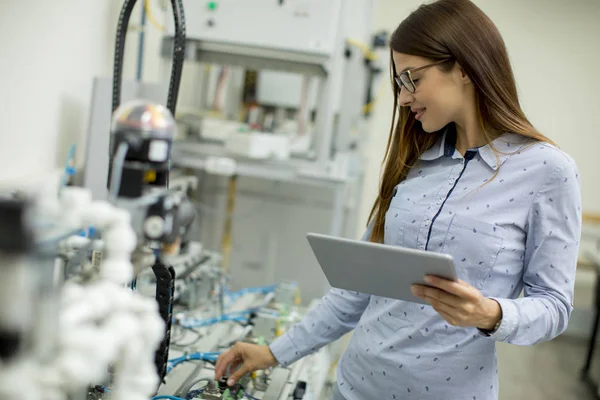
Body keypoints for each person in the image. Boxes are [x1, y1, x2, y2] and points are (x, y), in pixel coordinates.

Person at [215, 0, 582, 398]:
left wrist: (491, 314)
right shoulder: (415, 160)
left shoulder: (547, 171)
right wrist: (274, 352)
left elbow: (554, 306)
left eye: (411, 79)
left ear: (462, 67)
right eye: (399, 83)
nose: (403, 98)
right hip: (353, 387)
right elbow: (355, 291)